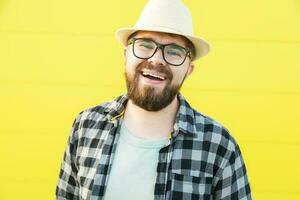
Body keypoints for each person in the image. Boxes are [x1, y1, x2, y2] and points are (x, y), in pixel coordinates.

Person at [56, 0, 252, 199]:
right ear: (126, 55)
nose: (156, 59)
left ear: (188, 70)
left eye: (174, 51)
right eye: (145, 45)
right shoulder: (86, 126)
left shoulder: (218, 144)